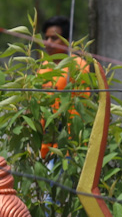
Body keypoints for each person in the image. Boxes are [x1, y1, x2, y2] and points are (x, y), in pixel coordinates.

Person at [38, 15, 90, 160]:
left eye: (54, 38)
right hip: (45, 147)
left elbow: (83, 107)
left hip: (68, 146)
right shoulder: (43, 67)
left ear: (68, 41)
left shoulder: (79, 66)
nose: (48, 43)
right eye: (46, 38)